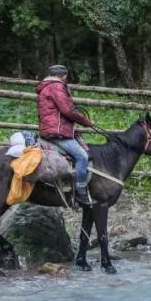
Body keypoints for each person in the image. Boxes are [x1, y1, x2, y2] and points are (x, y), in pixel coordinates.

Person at [36, 64, 95, 205]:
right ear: (63, 75)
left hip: (51, 129)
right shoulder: (57, 86)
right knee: (82, 156)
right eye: (66, 76)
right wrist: (87, 122)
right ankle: (81, 193)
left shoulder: (46, 86)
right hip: (57, 132)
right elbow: (68, 110)